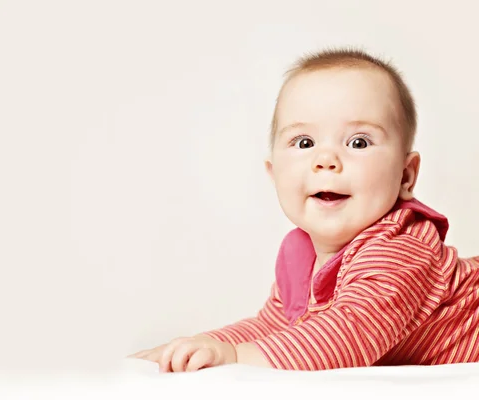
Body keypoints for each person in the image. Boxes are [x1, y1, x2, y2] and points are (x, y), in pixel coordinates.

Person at [128, 48, 479, 373]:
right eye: (304, 143)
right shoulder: (302, 256)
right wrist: (203, 346)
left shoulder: (400, 249)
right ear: (274, 174)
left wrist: (235, 358)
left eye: (358, 142)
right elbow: (273, 326)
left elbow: (345, 337)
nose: (326, 160)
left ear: (405, 175)